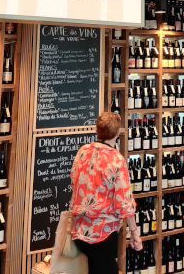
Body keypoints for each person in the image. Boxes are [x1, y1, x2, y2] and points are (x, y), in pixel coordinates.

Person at [70, 112, 142, 274]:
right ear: (117, 133)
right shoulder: (116, 160)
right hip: (103, 233)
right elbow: (124, 203)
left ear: (97, 130)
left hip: (79, 230)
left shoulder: (83, 151)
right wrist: (135, 234)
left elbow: (73, 180)